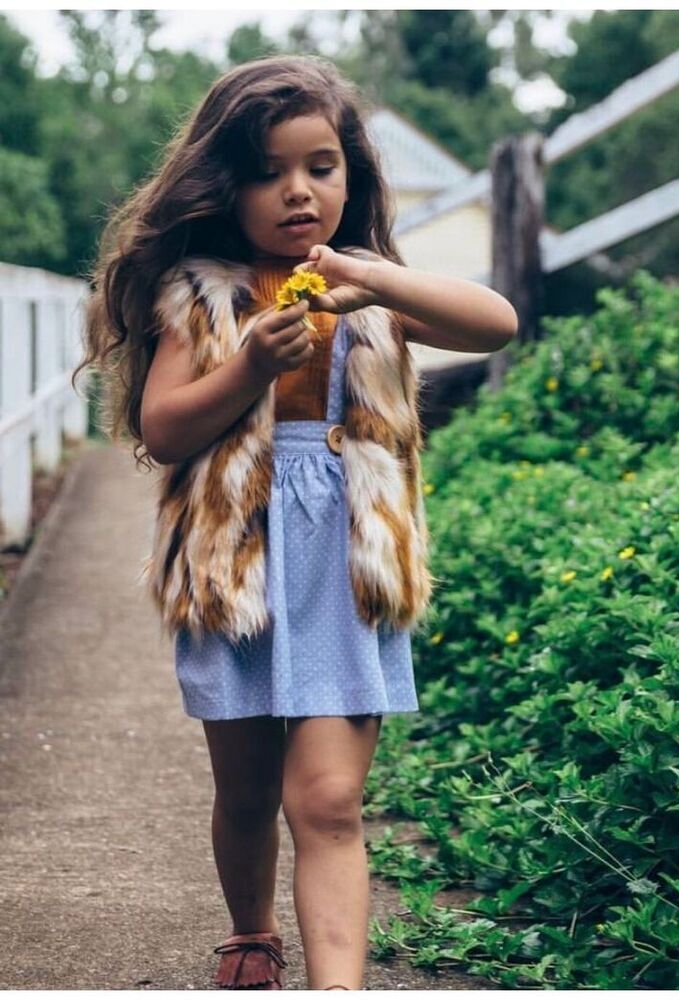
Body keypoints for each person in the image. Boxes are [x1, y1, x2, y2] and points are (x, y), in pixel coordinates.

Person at [75, 54, 518, 991]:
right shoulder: (201, 294)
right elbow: (162, 430)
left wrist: (381, 282)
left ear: (350, 173)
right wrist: (246, 370)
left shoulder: (373, 287)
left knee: (326, 800)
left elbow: (497, 323)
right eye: (267, 172)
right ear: (223, 184)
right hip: (236, 564)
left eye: (320, 166)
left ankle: (338, 985)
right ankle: (251, 930)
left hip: (347, 569)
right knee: (244, 792)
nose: (296, 192)